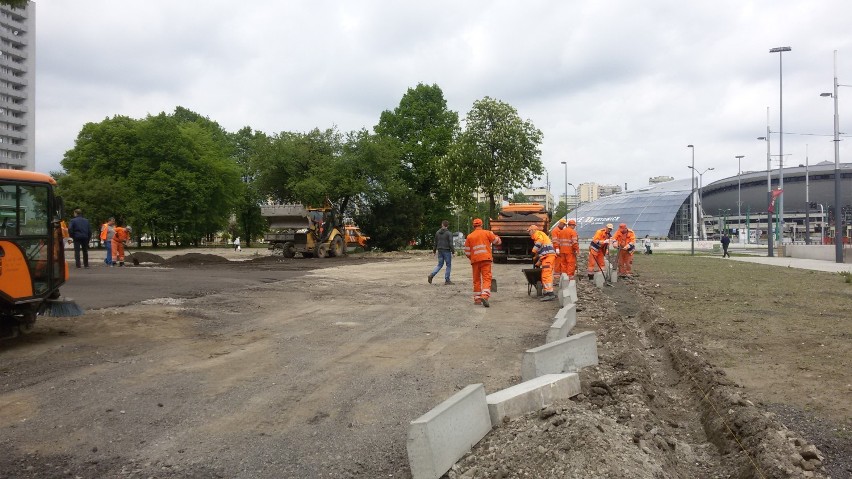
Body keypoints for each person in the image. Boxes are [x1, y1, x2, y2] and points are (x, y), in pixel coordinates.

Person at [463, 218, 501, 308]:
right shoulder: (487, 233)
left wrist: (472, 258)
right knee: (487, 278)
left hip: (475, 261)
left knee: (476, 280)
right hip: (486, 259)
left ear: (473, 226)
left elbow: (467, 252)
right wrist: (497, 236)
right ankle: (485, 296)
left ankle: (477, 299)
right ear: (481, 225)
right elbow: (497, 242)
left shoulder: (470, 236)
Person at [529, 224, 558, 301]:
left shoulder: (537, 234)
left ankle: (549, 293)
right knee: (546, 274)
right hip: (548, 256)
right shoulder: (541, 235)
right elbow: (542, 253)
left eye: (529, 231)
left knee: (546, 275)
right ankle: (547, 292)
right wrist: (538, 263)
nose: (529, 233)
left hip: (548, 257)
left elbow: (539, 242)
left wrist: (533, 251)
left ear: (533, 230)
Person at [550, 218, 579, 283]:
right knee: (570, 264)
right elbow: (574, 242)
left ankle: (564, 276)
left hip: (562, 251)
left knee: (563, 264)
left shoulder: (562, 231)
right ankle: (570, 277)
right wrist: (576, 249)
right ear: (572, 225)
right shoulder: (573, 232)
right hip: (570, 251)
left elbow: (558, 241)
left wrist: (558, 248)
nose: (574, 227)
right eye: (574, 226)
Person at [428, 219, 455, 285]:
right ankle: (447, 280)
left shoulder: (437, 232)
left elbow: (435, 243)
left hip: (439, 250)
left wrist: (434, 251)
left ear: (442, 225)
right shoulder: (449, 233)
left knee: (439, 264)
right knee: (448, 265)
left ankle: (432, 275)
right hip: (446, 251)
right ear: (447, 226)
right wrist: (453, 252)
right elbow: (451, 244)